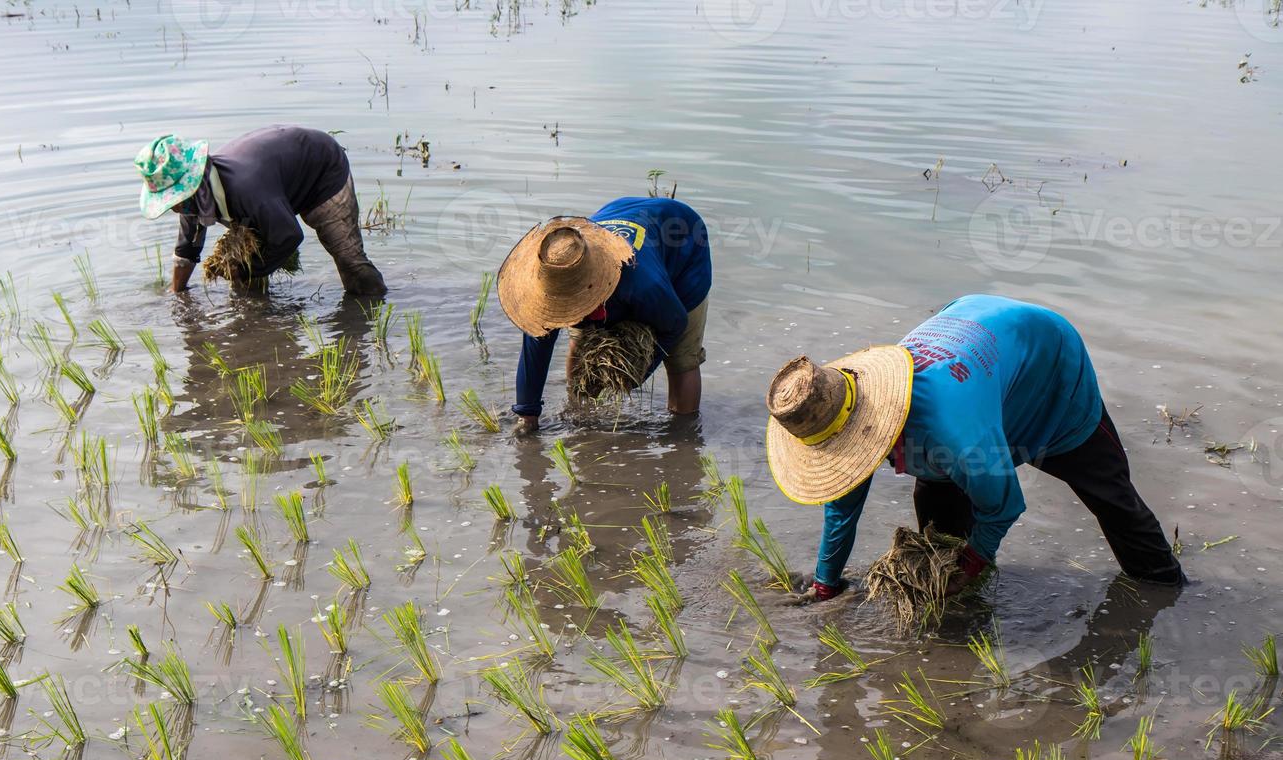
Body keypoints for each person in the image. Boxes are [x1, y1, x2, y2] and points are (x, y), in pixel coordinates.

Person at [763, 294, 1186, 602]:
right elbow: (842, 505)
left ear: (873, 425)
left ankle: (1167, 594)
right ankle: (961, 609)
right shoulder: (841, 407)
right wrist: (826, 583)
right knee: (939, 510)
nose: (852, 456)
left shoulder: (952, 432)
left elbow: (1005, 504)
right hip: (971, 342)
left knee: (1109, 494)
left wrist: (972, 563)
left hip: (1047, 362)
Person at [497, 197, 712, 435]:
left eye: (577, 304)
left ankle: (683, 436)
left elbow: (676, 324)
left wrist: (635, 372)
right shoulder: (542, 294)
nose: (571, 310)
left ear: (594, 288)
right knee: (580, 341)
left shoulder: (643, 284)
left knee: (682, 359)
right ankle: (579, 410)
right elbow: (534, 355)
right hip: (620, 215)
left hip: (685, 243)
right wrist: (527, 416)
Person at [133, 126, 385, 296]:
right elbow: (187, 250)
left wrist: (242, 269)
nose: (175, 207)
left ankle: (371, 316)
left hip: (321, 170)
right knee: (245, 269)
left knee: (350, 262)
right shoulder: (192, 201)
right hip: (276, 183)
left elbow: (289, 236)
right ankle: (258, 332)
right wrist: (177, 295)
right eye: (171, 202)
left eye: (176, 199)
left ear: (195, 181)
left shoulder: (246, 189)